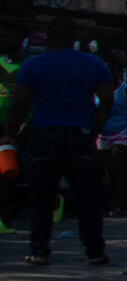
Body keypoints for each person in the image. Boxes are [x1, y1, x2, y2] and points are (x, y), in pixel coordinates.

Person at [7, 16, 115, 265]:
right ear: (75, 38)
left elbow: (19, 103)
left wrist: (10, 133)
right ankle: (94, 251)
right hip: (80, 135)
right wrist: (95, 127)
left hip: (44, 135)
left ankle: (39, 251)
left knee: (41, 196)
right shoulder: (94, 63)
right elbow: (107, 99)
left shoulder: (33, 65)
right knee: (88, 197)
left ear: (48, 39)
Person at [96, 48, 127, 210]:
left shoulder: (126, 91)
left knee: (114, 165)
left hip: (122, 134)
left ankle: (118, 204)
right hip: (103, 135)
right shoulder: (96, 92)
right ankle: (107, 201)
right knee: (101, 170)